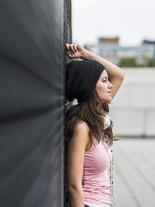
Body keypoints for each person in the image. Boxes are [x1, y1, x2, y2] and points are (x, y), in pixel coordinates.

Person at [65, 43, 125, 207]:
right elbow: (74, 186)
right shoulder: (81, 128)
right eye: (104, 81)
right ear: (89, 87)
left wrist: (84, 54)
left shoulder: (97, 117)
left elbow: (119, 75)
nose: (110, 85)